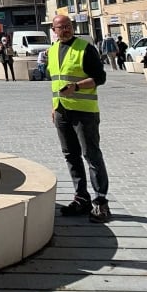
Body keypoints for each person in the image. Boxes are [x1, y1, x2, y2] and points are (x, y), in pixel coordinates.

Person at [46, 14, 111, 223]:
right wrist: (54, 107)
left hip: (84, 111)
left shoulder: (85, 48)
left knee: (91, 155)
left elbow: (100, 78)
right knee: (70, 155)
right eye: (60, 27)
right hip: (61, 111)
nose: (65, 29)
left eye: (68, 26)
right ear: (53, 30)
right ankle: (81, 198)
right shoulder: (52, 51)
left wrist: (76, 87)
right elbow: (56, 83)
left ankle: (101, 202)